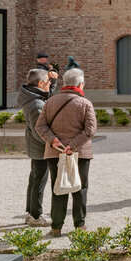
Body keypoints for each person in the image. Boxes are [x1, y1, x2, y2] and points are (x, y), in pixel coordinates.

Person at [34, 68, 96, 237]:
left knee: (58, 188)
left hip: (56, 152)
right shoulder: (85, 103)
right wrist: (73, 145)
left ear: (65, 83)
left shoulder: (50, 102)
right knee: (80, 188)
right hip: (80, 152)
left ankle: (56, 227)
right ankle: (79, 225)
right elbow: (90, 129)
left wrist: (53, 140)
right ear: (80, 84)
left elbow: (40, 126)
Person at [17, 68, 52, 227]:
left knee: (35, 179)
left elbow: (47, 95)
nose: (50, 83)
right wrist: (51, 143)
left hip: (35, 145)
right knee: (39, 181)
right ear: (40, 83)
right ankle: (36, 215)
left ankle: (31, 212)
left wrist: (53, 81)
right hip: (39, 147)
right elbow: (40, 131)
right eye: (48, 81)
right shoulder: (36, 104)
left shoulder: (32, 96)